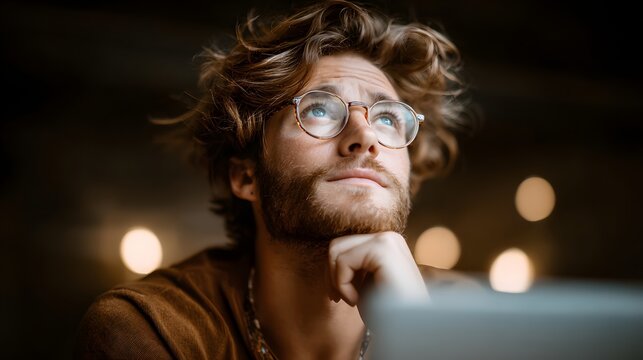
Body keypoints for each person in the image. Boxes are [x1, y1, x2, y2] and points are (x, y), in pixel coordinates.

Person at [74, 1, 469, 359]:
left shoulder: (468, 316)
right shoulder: (152, 329)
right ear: (246, 176)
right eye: (319, 109)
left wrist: (416, 336)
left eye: (387, 118)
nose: (365, 136)